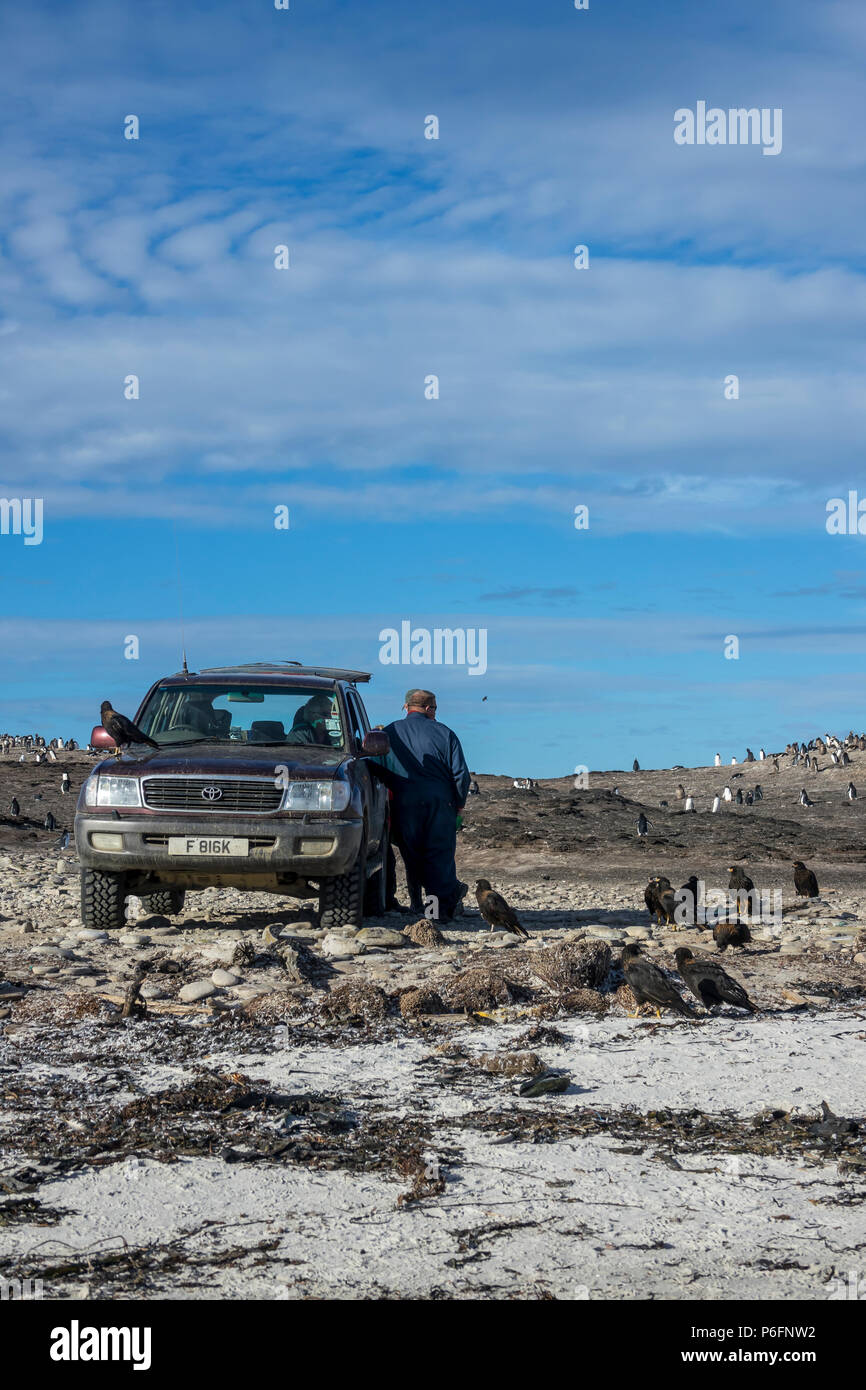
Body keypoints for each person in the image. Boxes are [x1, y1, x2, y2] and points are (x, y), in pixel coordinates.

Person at [372, 688, 470, 922]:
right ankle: (440, 911)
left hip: (404, 803)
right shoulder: (445, 733)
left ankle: (419, 906)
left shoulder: (389, 732)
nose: (435, 713)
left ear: (406, 707)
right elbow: (461, 775)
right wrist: (458, 804)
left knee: (412, 855)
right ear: (428, 708)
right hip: (440, 803)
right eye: (434, 708)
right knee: (439, 855)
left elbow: (376, 767)